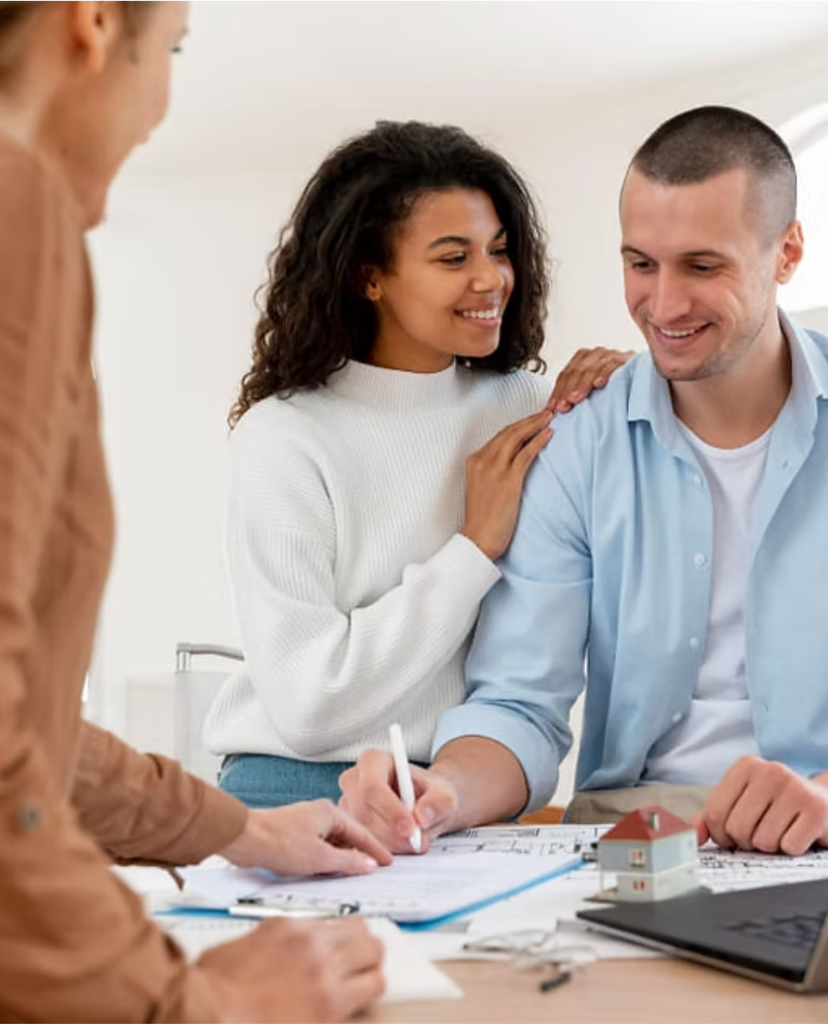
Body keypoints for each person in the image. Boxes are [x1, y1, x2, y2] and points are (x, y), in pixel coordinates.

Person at [0, 2, 395, 1021]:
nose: (159, 106)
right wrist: (197, 1003)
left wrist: (242, 831)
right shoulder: (18, 206)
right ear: (92, 22)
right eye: (171, 48)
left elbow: (32, 731)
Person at [340, 104, 828, 860]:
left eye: (703, 267)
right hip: (632, 829)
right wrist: (444, 793)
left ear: (787, 252)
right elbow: (520, 704)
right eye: (641, 264)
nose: (664, 306)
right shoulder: (577, 444)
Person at [203, 119, 631, 809]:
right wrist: (472, 549)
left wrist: (631, 385)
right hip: (294, 788)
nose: (491, 278)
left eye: (498, 250)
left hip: (466, 787)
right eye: (453, 258)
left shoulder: (528, 407)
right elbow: (308, 707)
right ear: (370, 277)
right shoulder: (285, 435)